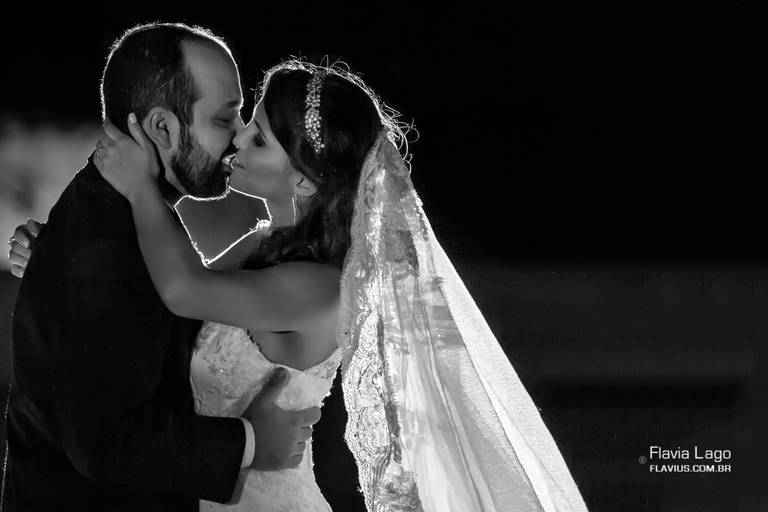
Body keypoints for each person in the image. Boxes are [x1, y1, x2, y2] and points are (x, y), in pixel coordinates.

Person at [9, 58, 590, 510]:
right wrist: (69, 270)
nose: (236, 140)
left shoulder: (319, 287)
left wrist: (138, 190)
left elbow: (183, 290)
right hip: (202, 490)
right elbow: (163, 311)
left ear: (307, 181)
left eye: (258, 137)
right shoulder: (263, 243)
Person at [2, 24, 321, 511]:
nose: (237, 138)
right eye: (226, 119)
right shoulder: (103, 244)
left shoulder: (120, 220)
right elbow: (104, 443)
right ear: (164, 128)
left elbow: (180, 302)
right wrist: (251, 442)